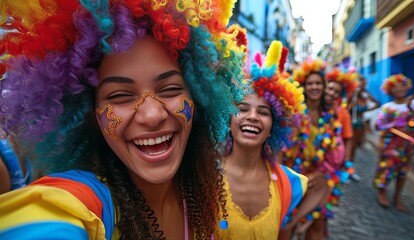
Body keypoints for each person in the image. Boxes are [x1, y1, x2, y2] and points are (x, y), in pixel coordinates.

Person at [0, 1, 248, 239]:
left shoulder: (201, 190)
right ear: (91, 115)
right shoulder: (83, 203)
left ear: (198, 97)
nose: (152, 115)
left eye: (170, 89)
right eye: (120, 96)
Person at [214, 41, 308, 239]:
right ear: (228, 118)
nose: (253, 116)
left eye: (263, 112)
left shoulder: (290, 184)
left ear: (274, 126)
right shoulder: (204, 176)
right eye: (243, 109)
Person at [285, 59, 347, 240]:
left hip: (318, 178)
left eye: (318, 83)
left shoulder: (330, 117)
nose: (314, 87)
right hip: (292, 177)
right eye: (310, 83)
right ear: (303, 86)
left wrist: (322, 174)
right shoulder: (294, 112)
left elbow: (336, 152)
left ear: (324, 86)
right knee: (285, 224)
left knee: (317, 225)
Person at [374, 74, 414, 212]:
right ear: (390, 89)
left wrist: (410, 108)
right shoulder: (387, 107)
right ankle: (382, 191)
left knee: (403, 171)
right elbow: (378, 125)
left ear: (407, 86)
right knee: (386, 168)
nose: (400, 88)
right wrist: (392, 124)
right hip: (390, 144)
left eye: (402, 85)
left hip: (408, 144)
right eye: (395, 86)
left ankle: (397, 197)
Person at [324, 67, 359, 182]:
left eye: (336, 92)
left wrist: (347, 160)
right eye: (330, 88)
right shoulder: (315, 107)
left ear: (340, 95)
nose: (331, 93)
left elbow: (348, 138)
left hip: (334, 160)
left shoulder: (343, 113)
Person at [348, 75, 380, 181]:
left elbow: (377, 103)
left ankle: (350, 171)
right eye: (360, 82)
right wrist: (353, 101)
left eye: (364, 82)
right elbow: (346, 109)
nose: (362, 84)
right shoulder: (352, 95)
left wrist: (365, 111)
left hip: (360, 125)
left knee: (356, 147)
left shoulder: (365, 94)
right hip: (351, 125)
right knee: (350, 149)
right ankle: (347, 172)